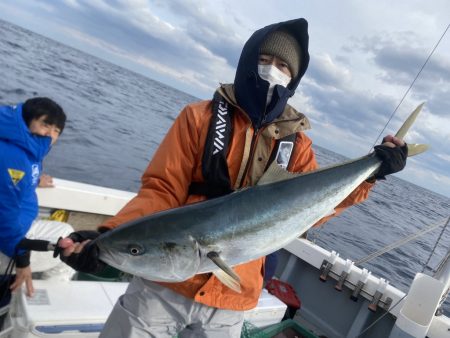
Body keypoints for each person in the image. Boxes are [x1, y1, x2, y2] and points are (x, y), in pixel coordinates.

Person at [58, 18, 407, 337]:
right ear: (247, 59)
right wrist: (110, 233)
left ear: (294, 79)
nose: (273, 70)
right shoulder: (199, 118)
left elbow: (314, 208)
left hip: (234, 296)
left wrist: (372, 174)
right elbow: (162, 188)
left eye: (284, 65)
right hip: (163, 288)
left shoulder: (298, 146)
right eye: (265, 59)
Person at [0, 97, 74, 298]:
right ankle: (35, 306)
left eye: (56, 131)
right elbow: (4, 219)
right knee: (70, 246)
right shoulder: (13, 159)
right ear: (27, 120)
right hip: (8, 242)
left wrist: (32, 180)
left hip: (15, 230)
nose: (50, 135)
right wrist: (23, 262)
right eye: (45, 125)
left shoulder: (19, 146)